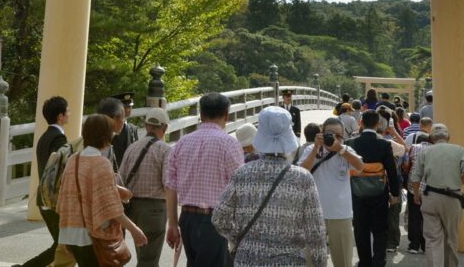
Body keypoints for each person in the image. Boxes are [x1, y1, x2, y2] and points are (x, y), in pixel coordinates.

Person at [213, 107, 328, 267]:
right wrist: (320, 263)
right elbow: (315, 232)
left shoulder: (242, 173)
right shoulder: (302, 178)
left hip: (247, 260)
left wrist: (239, 237)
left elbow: (219, 218)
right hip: (290, 261)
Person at [57, 114, 147, 266]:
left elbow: (65, 196)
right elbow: (111, 208)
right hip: (91, 235)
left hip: (71, 231)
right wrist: (135, 229)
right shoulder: (101, 164)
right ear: (105, 136)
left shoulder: (74, 159)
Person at [165, 92, 244, 266]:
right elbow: (240, 188)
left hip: (186, 219)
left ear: (200, 115)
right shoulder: (229, 143)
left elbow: (170, 186)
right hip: (216, 221)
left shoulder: (182, 143)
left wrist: (172, 224)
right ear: (226, 115)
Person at [299, 117, 363, 267]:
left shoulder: (347, 150)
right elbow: (301, 173)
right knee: (310, 261)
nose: (333, 138)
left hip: (340, 214)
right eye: (329, 134)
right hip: (314, 214)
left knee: (343, 261)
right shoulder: (311, 150)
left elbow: (360, 166)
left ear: (343, 137)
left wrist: (341, 149)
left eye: (338, 135)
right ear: (321, 133)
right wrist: (315, 148)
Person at [15, 96, 69, 267]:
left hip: (43, 197)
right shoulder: (59, 140)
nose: (69, 114)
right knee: (62, 244)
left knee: (62, 244)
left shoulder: (44, 136)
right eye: (67, 111)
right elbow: (59, 171)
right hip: (52, 200)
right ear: (60, 116)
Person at [411, 124, 464, 267]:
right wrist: (455, 184)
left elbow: (415, 177)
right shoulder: (459, 150)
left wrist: (416, 194)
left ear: (431, 137)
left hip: (431, 197)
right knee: (451, 238)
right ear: (448, 137)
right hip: (453, 198)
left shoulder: (425, 152)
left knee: (433, 239)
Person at [118, 107, 172, 267]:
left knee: (143, 254)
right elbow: (167, 184)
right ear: (165, 128)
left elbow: (120, 181)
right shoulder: (165, 150)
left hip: (132, 208)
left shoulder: (132, 148)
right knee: (149, 260)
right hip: (154, 210)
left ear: (146, 125)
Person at [348, 109, 402, 267]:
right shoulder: (384, 144)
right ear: (378, 124)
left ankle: (364, 262)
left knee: (361, 228)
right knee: (380, 229)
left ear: (361, 123)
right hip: (379, 192)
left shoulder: (351, 143)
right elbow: (391, 171)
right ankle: (378, 261)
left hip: (357, 192)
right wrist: (394, 193)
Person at [404, 132, 431, 254]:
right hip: (429, 188)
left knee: (414, 216)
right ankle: (426, 246)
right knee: (427, 217)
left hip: (413, 186)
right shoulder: (434, 149)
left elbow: (407, 165)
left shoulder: (413, 147)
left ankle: (414, 245)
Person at [97, 96, 126, 171]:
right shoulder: (102, 146)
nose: (124, 121)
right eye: (123, 117)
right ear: (114, 119)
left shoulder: (92, 138)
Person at [112, 92, 139, 166]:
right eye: (124, 107)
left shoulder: (133, 129)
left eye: (129, 107)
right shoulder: (109, 128)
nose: (127, 110)